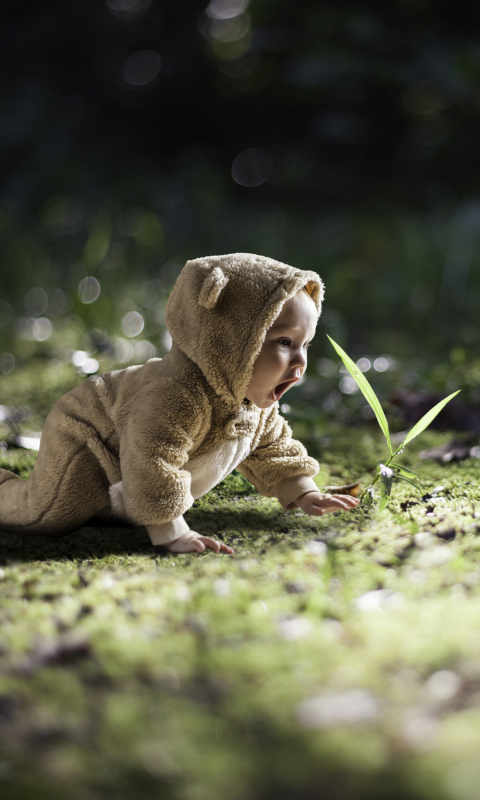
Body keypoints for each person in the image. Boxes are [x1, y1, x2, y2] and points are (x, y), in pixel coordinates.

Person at [0, 253, 358, 554]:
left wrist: (306, 494)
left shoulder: (252, 403)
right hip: (88, 440)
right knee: (46, 513)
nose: (300, 361)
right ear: (228, 341)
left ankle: (120, 509)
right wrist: (173, 531)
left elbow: (273, 450)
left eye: (305, 345)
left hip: (128, 475)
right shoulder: (174, 396)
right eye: (283, 342)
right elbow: (150, 460)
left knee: (102, 513)